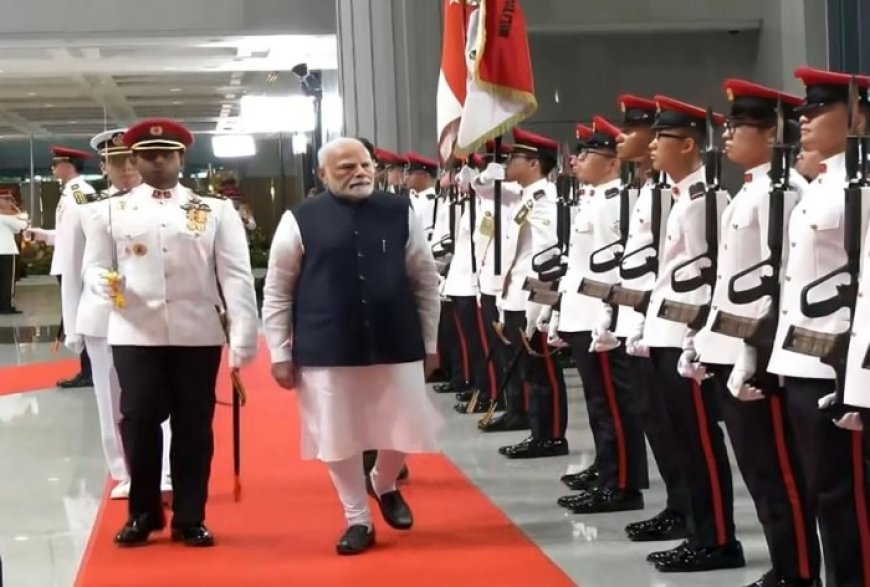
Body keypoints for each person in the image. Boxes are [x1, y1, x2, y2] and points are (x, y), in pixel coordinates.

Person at [82, 118, 259, 547]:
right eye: (147, 154)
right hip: (134, 332)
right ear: (134, 160)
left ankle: (189, 515)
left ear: (181, 157)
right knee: (139, 420)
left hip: (196, 334)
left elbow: (235, 275)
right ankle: (142, 513)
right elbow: (93, 265)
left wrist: (243, 337)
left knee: (194, 426)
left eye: (166, 153)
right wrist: (100, 281)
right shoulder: (108, 210)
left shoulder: (213, 210)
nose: (157, 161)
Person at [262, 137, 441, 556]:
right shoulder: (299, 219)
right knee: (336, 435)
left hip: (396, 337)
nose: (359, 173)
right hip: (327, 344)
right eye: (346, 168)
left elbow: (425, 280)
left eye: (365, 164)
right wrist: (279, 352)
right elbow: (277, 290)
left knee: (407, 424)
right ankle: (357, 517)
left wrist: (431, 342)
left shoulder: (401, 212)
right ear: (322, 175)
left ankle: (383, 482)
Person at [693, 79, 821, 587]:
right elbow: (730, 280)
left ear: (771, 134)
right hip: (729, 347)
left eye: (739, 126)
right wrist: (704, 341)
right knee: (759, 473)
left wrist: (753, 353)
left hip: (762, 352)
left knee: (780, 474)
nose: (727, 135)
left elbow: (779, 280)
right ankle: (784, 565)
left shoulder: (783, 192)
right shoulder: (751, 189)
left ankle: (799, 572)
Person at [764, 66, 870, 587]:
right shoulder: (821, 186)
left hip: (840, 367)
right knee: (822, 490)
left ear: (854, 115)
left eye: (817, 110)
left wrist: (858, 383)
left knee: (846, 496)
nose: (803, 119)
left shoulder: (862, 186)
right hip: (804, 361)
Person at [632, 96, 745, 572]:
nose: (652, 145)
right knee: (679, 440)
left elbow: (710, 276)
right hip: (664, 332)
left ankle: (717, 539)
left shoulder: (707, 200)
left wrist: (697, 336)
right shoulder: (678, 197)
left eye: (662, 137)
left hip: (686, 338)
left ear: (689, 144)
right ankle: (699, 530)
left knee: (700, 441)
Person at [58, 128, 173, 500]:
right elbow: (71, 267)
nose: (125, 169)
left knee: (159, 398)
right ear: (104, 168)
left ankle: (166, 470)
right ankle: (123, 471)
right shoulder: (87, 210)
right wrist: (72, 325)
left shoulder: (163, 204)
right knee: (110, 401)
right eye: (116, 162)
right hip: (102, 317)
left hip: (152, 317)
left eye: (130, 160)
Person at [554, 116, 648, 514]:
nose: (577, 161)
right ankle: (608, 472)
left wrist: (607, 316)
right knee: (598, 404)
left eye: (587, 154)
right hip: (581, 314)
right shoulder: (594, 199)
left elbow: (613, 270)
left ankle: (622, 484)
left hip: (599, 318)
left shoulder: (615, 203)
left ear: (611, 162)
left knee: (613, 405)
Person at [494, 128, 568, 460]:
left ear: (534, 164)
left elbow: (547, 257)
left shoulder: (545, 201)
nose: (508, 163)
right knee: (529, 372)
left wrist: (540, 307)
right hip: (516, 297)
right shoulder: (527, 197)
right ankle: (539, 432)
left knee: (543, 373)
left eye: (514, 158)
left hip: (531, 300)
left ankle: (551, 436)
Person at [29, 147, 97, 388]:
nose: (53, 167)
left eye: (56, 163)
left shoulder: (80, 192)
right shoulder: (69, 192)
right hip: (69, 261)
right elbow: (68, 233)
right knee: (76, 316)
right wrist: (43, 235)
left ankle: (90, 372)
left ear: (69, 165)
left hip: (77, 264)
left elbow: (88, 228)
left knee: (81, 317)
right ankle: (87, 370)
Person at [0, 188, 28, 314]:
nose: (10, 201)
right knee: (7, 281)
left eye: (10, 199)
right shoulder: (5, 216)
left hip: (6, 250)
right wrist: (19, 211)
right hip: (6, 251)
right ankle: (6, 307)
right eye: (6, 199)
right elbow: (21, 226)